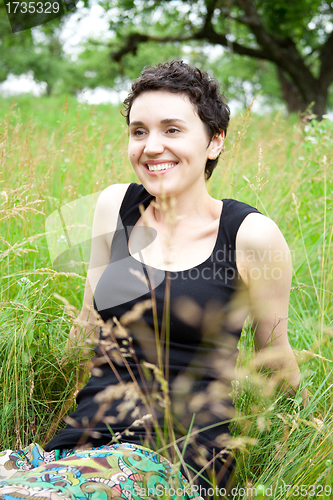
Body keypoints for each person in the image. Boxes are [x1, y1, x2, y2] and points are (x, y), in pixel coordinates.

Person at [0, 61, 305, 500]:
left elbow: (274, 359)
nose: (151, 146)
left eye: (172, 130)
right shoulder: (116, 206)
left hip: (172, 458)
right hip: (77, 448)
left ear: (214, 141)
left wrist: (304, 435)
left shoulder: (249, 235)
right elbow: (88, 326)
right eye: (139, 131)